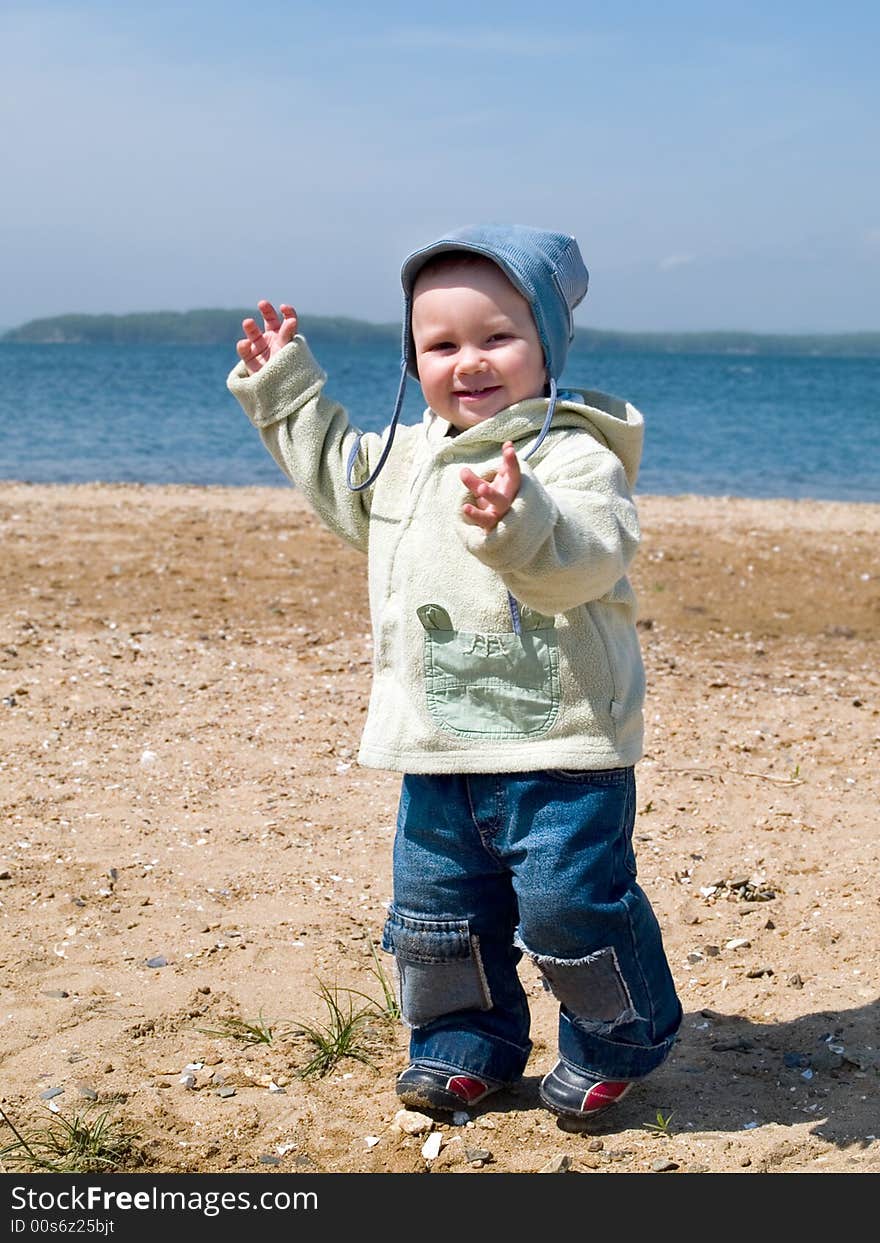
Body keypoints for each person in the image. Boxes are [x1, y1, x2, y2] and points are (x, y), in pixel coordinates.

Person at [227, 223, 682, 1126]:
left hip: (561, 739)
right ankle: (463, 1044)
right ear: (412, 358)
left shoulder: (573, 454)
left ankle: (618, 1038)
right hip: (435, 738)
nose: (469, 362)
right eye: (440, 345)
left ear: (547, 343)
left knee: (567, 906)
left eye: (496, 337)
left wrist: (517, 518)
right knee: (438, 914)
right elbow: (334, 476)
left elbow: (586, 559)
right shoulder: (407, 456)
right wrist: (287, 386)